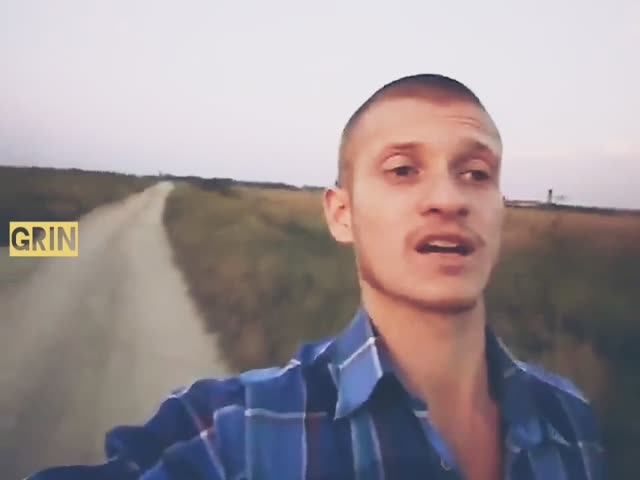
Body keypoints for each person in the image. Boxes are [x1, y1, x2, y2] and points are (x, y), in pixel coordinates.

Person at [29, 74, 605, 480]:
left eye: (476, 173)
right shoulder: (237, 434)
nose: (449, 198)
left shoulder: (572, 421)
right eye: (403, 169)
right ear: (342, 213)